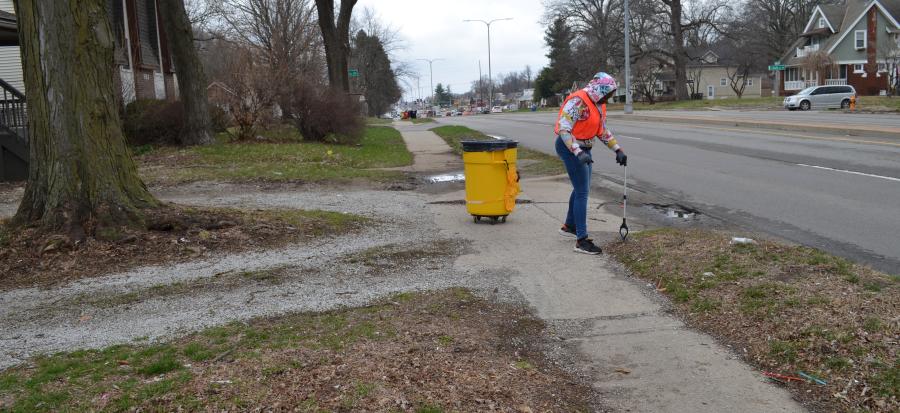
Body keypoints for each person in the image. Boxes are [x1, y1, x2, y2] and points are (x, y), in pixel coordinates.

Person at [554, 72, 627, 255]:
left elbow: (601, 130)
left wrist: (617, 149)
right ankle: (581, 240)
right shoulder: (577, 100)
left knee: (581, 187)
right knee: (582, 192)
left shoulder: (599, 105)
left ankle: (569, 226)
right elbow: (564, 129)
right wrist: (577, 152)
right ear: (598, 89)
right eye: (607, 93)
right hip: (569, 147)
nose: (608, 98)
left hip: (584, 149)